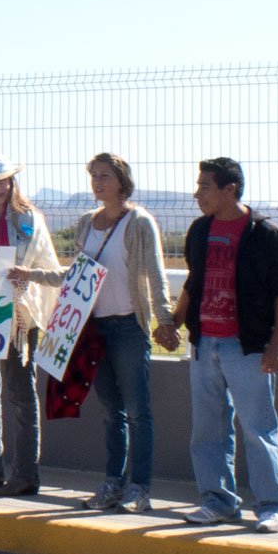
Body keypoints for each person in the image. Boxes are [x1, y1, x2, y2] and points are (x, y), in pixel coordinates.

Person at [155, 157, 278, 533]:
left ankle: (271, 507)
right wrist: (173, 323)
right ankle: (218, 502)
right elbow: (194, 282)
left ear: (229, 189)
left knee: (258, 429)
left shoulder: (265, 235)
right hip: (205, 345)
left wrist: (275, 345)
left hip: (246, 347)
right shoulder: (200, 230)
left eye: (204, 186)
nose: (197, 193)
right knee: (208, 430)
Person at [60, 154, 172, 514]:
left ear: (122, 180)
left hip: (128, 328)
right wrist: (30, 276)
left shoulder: (139, 222)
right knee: (111, 411)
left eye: (104, 175)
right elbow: (75, 276)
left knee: (138, 411)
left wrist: (165, 318)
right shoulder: (85, 223)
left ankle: (139, 488)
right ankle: (113, 482)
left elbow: (156, 275)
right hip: (95, 330)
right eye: (93, 175)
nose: (97, 182)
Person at [0, 151, 61, 496]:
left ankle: (25, 474)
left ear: (11, 181)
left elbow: (39, 260)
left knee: (20, 395)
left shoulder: (28, 220)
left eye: (2, 180)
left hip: (18, 317)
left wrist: (19, 276)